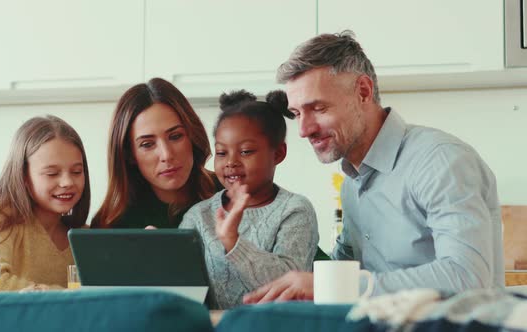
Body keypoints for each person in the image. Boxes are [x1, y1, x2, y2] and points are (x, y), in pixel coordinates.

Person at [243, 31, 503, 303]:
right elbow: (341, 268)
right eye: (297, 114)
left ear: (363, 92)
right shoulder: (353, 184)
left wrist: (335, 286)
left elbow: (467, 276)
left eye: (318, 108)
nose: (304, 130)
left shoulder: (440, 161)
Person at [179, 90, 319, 309]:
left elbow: (289, 283)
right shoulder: (199, 215)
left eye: (245, 151)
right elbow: (182, 288)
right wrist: (161, 256)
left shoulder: (295, 211)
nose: (231, 162)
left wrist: (234, 243)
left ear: (278, 153)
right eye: (222, 153)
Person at [0, 115, 91, 292]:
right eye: (52, 173)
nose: (67, 182)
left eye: (76, 171)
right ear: (23, 177)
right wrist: (68, 296)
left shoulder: (82, 237)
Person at [91, 78, 219, 229]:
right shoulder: (110, 224)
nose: (166, 155)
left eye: (175, 136)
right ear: (129, 154)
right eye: (147, 144)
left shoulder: (232, 194)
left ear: (192, 135)